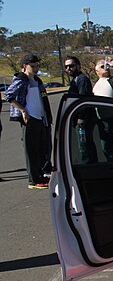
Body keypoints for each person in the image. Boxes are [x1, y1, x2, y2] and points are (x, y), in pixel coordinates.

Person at [4, 54, 52, 189]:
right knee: (31, 150)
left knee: (41, 148)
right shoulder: (21, 80)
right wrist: (22, 110)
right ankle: (33, 180)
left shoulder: (37, 80)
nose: (36, 69)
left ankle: (41, 174)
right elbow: (8, 95)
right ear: (25, 66)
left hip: (41, 118)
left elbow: (43, 98)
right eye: (33, 66)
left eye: (37, 66)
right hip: (30, 119)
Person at [65, 56, 97, 164]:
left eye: (71, 66)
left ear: (78, 66)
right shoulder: (75, 80)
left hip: (84, 119)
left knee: (85, 145)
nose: (68, 68)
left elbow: (83, 99)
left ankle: (89, 167)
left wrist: (81, 117)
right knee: (84, 145)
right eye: (66, 66)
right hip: (78, 118)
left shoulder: (82, 79)